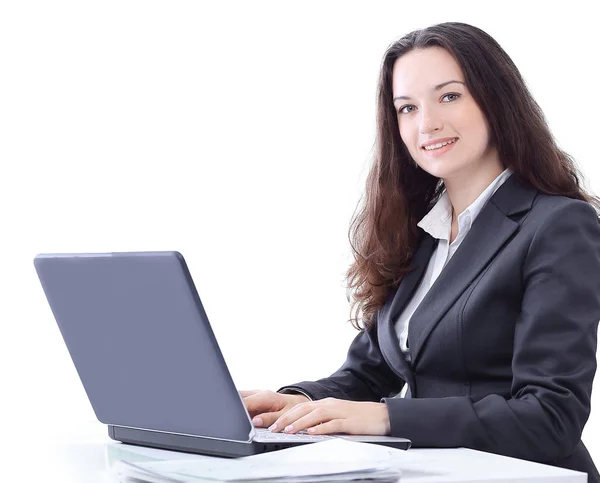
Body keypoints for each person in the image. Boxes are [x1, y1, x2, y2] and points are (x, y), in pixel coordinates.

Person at [240, 22, 600, 481]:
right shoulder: (419, 231)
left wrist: (388, 418)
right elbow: (368, 376)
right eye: (407, 107)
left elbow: (551, 416)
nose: (426, 122)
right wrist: (297, 403)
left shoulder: (557, 225)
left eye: (449, 96)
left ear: (496, 100)